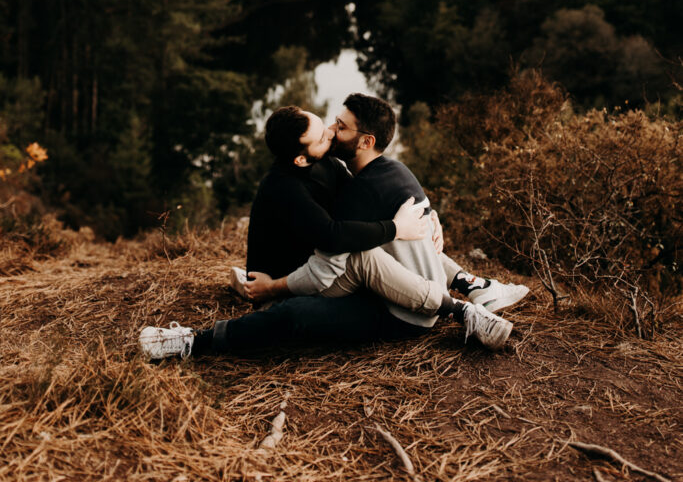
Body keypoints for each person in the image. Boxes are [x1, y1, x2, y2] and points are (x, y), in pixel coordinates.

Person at [139, 96, 525, 360]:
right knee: (308, 302)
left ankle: (468, 288)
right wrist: (271, 286)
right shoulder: (286, 188)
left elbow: (367, 217)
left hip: (334, 274)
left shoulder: (330, 165)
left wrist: (427, 217)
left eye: (333, 127)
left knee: (383, 240)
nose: (331, 133)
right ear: (302, 158)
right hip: (300, 281)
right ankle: (192, 341)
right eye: (324, 134)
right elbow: (335, 242)